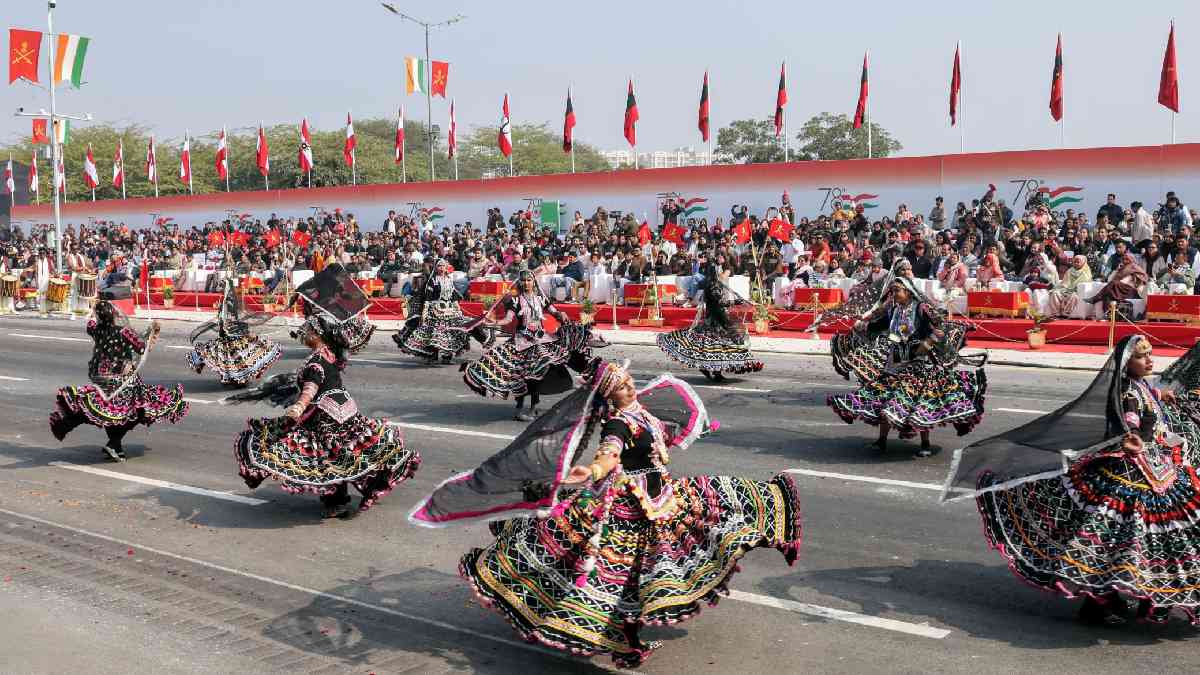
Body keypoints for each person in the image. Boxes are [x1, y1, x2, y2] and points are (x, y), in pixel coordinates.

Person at [412, 360, 801, 668]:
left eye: (629, 382)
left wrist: (698, 428)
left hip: (661, 495)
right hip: (628, 502)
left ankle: (775, 534)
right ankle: (623, 639)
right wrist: (593, 470)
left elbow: (661, 437)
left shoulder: (642, 411)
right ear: (610, 397)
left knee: (721, 511)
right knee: (620, 575)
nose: (629, 387)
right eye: (621, 387)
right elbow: (610, 452)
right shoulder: (617, 422)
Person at [959, 336, 1200, 626]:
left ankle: (1116, 597)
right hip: (1134, 474)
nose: (1150, 360)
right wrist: (1131, 436)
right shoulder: (1128, 393)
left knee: (1134, 539)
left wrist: (1162, 397)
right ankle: (1101, 603)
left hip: (1154, 468)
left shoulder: (1140, 386)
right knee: (1127, 540)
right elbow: (1131, 419)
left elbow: (1148, 399)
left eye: (1150, 354)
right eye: (1142, 356)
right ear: (1126, 363)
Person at [231, 315, 421, 519]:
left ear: (317, 335)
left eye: (307, 332)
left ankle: (336, 502)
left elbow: (311, 387)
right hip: (345, 409)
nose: (303, 335)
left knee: (326, 457)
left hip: (326, 416)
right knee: (347, 450)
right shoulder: (330, 355)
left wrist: (298, 407)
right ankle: (364, 486)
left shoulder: (316, 361)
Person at [828, 275, 986, 458]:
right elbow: (877, 327)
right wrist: (862, 325)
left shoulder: (921, 309)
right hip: (895, 361)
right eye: (892, 291)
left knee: (919, 401)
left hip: (918, 362)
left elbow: (940, 326)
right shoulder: (894, 310)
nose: (894, 294)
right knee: (886, 397)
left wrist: (928, 342)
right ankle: (881, 440)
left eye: (897, 291)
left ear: (908, 292)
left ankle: (925, 443)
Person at [49, 301, 189, 462]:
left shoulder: (96, 330)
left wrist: (93, 312)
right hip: (124, 379)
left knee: (110, 411)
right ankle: (114, 444)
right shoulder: (124, 332)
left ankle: (115, 446)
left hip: (104, 379)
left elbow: (90, 323)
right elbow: (141, 348)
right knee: (135, 411)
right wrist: (151, 331)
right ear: (114, 315)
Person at [462, 270, 601, 421]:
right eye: (524, 280)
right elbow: (508, 319)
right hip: (522, 342)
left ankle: (533, 407)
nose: (527, 283)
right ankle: (520, 408)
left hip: (541, 339)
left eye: (529, 280)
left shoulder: (540, 298)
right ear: (520, 283)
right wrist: (493, 322)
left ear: (534, 282)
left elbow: (554, 311)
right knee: (519, 374)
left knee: (541, 369)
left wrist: (561, 315)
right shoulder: (515, 301)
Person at [656, 263, 764, 382]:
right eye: (719, 271)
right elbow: (719, 303)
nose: (721, 273)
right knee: (717, 347)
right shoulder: (713, 286)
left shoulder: (712, 285)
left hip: (716, 319)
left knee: (717, 348)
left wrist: (737, 302)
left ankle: (715, 372)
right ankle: (712, 371)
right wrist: (735, 302)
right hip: (715, 321)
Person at [186, 277, 282, 386]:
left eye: (223, 287)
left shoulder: (230, 303)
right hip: (227, 337)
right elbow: (225, 320)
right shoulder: (226, 302)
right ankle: (233, 378)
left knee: (234, 360)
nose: (221, 289)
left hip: (233, 337)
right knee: (227, 360)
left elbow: (234, 320)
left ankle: (238, 378)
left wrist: (228, 325)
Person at [393, 258, 479, 365]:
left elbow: (453, 296)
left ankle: (447, 357)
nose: (441, 268)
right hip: (435, 311)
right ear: (436, 268)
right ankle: (432, 357)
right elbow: (428, 297)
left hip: (449, 310)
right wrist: (425, 312)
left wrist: (458, 309)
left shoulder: (449, 280)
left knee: (451, 333)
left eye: (443, 266)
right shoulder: (432, 280)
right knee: (435, 334)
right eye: (439, 266)